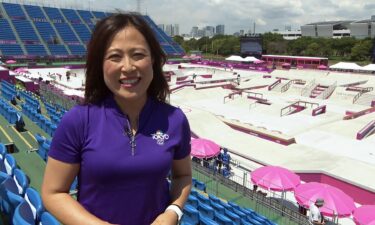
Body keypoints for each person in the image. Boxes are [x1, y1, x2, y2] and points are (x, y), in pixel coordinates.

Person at [41, 13, 192, 225]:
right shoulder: (78, 120)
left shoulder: (175, 119)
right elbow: (53, 193)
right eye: (115, 56)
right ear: (100, 65)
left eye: (138, 54)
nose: (128, 67)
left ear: (154, 60)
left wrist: (173, 212)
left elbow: (183, 176)